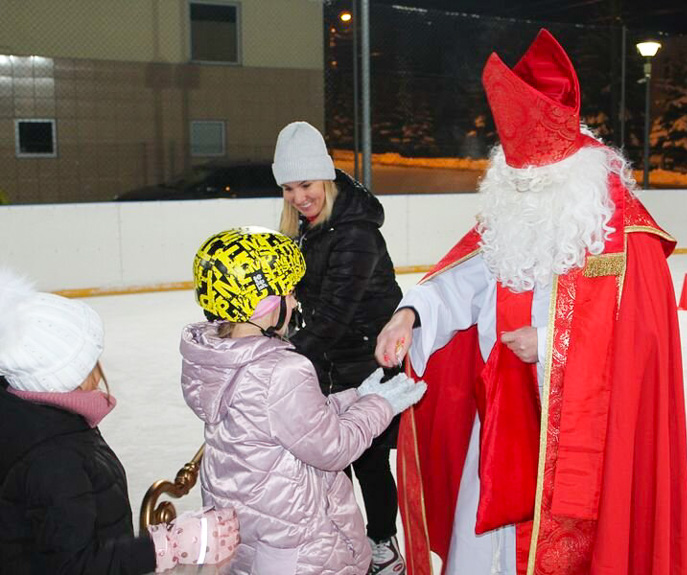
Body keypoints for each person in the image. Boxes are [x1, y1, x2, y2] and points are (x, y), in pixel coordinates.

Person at [375, 29, 687, 575]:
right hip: (501, 423)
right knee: (485, 547)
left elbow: (639, 340)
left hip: (581, 439)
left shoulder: (621, 233)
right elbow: (463, 281)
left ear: (564, 171)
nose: (522, 189)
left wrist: (549, 343)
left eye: (533, 182)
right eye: (515, 180)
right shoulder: (512, 215)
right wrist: (411, 313)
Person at [181, 227, 426, 575]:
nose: (295, 302)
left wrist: (358, 396)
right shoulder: (282, 370)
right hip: (297, 549)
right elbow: (334, 448)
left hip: (249, 537)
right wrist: (381, 405)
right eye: (289, 292)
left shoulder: (214, 358)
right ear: (263, 303)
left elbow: (293, 421)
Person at [0, 268, 239, 574]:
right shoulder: (53, 458)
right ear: (62, 376)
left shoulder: (42, 419)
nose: (99, 371)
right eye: (90, 362)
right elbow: (76, 565)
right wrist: (166, 547)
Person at [272, 121, 407, 574]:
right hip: (324, 361)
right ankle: (345, 543)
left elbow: (335, 313)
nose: (297, 197)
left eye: (306, 184)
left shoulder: (355, 231)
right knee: (330, 465)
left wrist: (278, 362)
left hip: (366, 362)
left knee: (367, 461)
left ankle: (384, 545)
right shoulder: (305, 228)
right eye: (288, 188)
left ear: (326, 178)